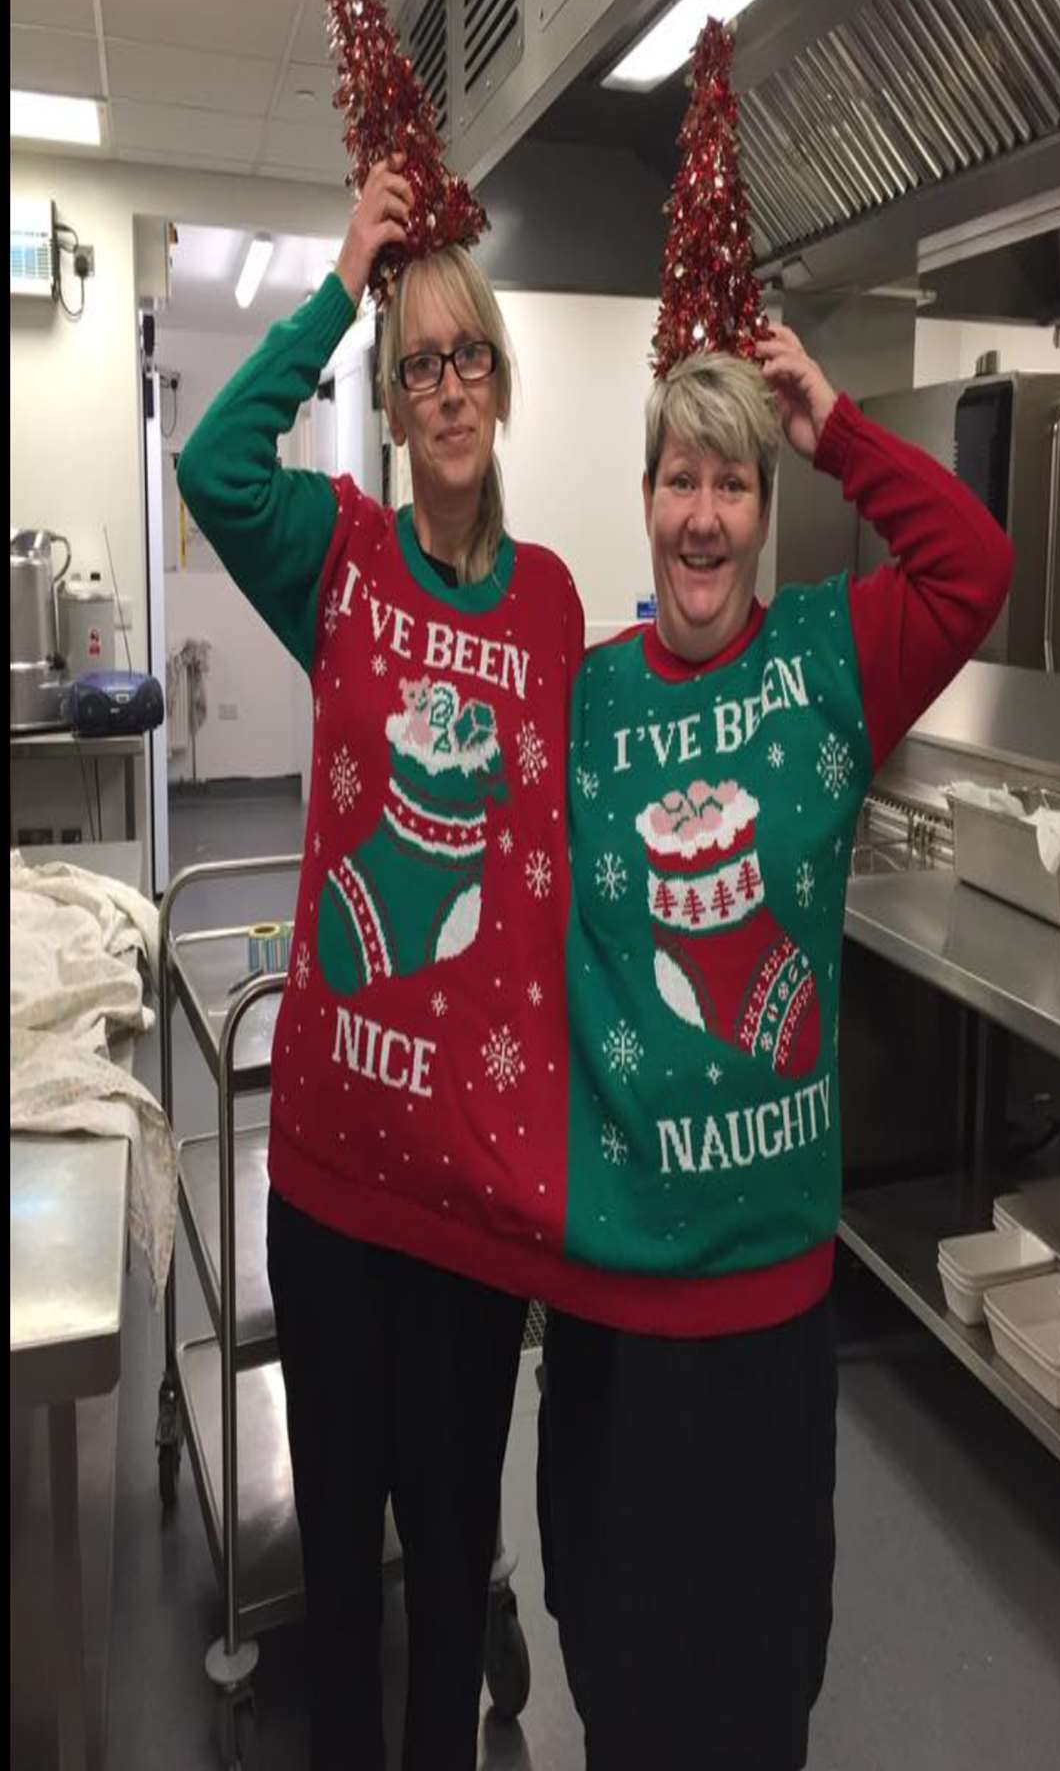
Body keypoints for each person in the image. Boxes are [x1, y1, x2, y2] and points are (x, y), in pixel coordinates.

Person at [537, 323, 1014, 1771]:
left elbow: (976, 571)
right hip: (613, 1303)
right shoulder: (590, 696)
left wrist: (834, 432)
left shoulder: (830, 653)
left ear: (763, 508)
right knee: (617, 1672)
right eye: (678, 478)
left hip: (767, 1309)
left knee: (757, 1691)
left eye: (733, 484)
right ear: (645, 498)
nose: (702, 514)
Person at [177, 157, 586, 1771]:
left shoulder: (552, 609)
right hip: (337, 1180)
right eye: (418, 365)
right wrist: (348, 277)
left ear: (500, 380)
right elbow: (216, 462)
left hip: (473, 1199)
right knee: (339, 1557)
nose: (447, 386)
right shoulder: (340, 559)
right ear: (394, 404)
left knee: (447, 1547)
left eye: (466, 355)